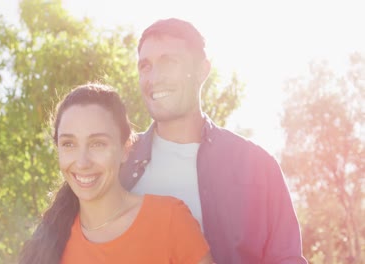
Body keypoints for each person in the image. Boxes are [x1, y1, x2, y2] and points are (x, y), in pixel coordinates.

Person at [119, 18, 308, 263]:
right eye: (145, 66)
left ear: (202, 71)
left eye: (168, 62)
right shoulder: (118, 165)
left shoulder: (258, 167)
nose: (154, 78)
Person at [18, 83, 213, 264]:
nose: (82, 162)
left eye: (98, 144)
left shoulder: (170, 220)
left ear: (126, 148)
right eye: (69, 144)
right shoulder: (48, 243)